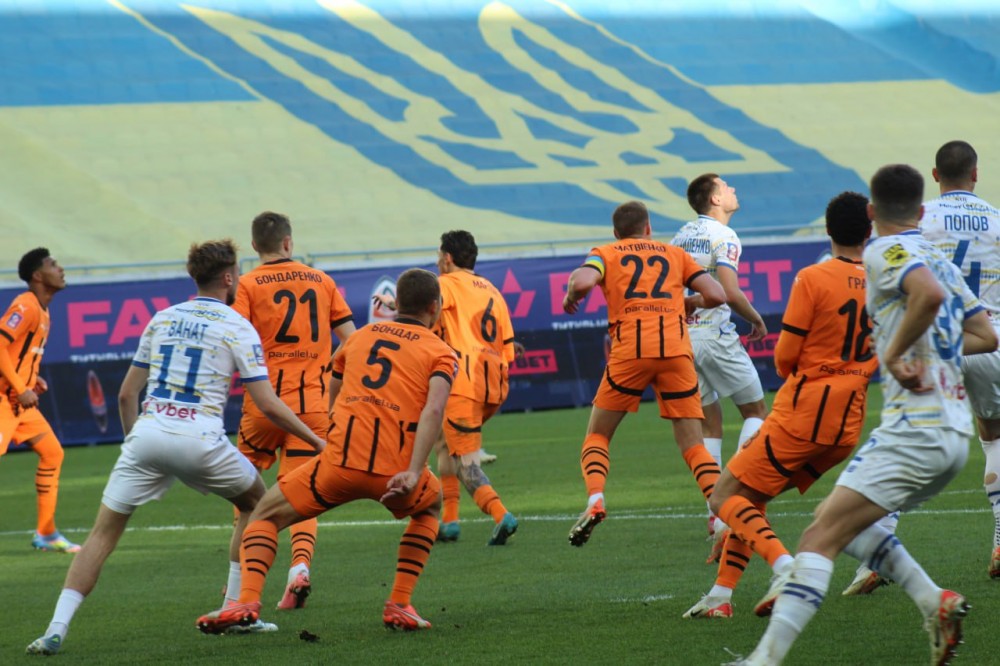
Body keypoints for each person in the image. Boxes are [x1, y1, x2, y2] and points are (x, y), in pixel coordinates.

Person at [726, 165, 998, 666]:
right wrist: (929, 350)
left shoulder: (881, 250)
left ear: (872, 213)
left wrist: (894, 353)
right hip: (954, 435)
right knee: (837, 522)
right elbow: (986, 335)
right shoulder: (939, 258)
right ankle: (932, 601)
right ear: (921, 211)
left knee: (817, 539)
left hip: (914, 428)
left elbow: (928, 294)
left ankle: (761, 661)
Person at [26, 240, 327, 655]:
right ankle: (235, 607)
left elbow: (126, 395)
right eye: (237, 273)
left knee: (102, 534)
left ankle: (55, 629)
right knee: (258, 507)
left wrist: (135, 444)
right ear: (228, 278)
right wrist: (316, 440)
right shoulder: (237, 325)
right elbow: (268, 404)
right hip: (200, 439)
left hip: (147, 434)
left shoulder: (163, 317)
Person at [195, 268, 457, 633]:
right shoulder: (442, 352)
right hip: (392, 472)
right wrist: (414, 471)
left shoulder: (360, 338)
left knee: (263, 516)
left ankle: (246, 602)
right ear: (435, 306)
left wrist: (336, 425)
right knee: (430, 506)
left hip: (338, 464)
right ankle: (399, 603)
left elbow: (334, 381)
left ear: (397, 302)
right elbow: (433, 410)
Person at [682, 192, 876, 620]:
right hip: (847, 425)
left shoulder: (813, 277)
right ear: (869, 231)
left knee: (724, 497)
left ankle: (786, 569)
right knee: (752, 496)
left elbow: (785, 358)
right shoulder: (886, 280)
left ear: (828, 230)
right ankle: (720, 596)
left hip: (804, 416)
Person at [845, 140, 1000, 594]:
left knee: (910, 445)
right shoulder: (997, 219)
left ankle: (874, 556)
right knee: (994, 433)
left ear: (935, 175)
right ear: (975, 174)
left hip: (929, 345)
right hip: (987, 337)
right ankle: (999, 539)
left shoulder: (918, 219)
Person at [562, 200, 726, 547]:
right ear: (648, 228)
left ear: (616, 233)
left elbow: (584, 282)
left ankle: (595, 499)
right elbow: (716, 294)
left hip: (631, 353)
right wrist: (690, 303)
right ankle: (723, 515)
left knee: (598, 436)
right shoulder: (675, 254)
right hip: (676, 353)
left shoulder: (606, 253)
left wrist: (571, 294)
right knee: (693, 445)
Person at [231, 211, 356, 611]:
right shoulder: (322, 281)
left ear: (255, 246)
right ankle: (298, 567)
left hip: (263, 406)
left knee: (245, 500)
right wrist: (327, 370)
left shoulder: (247, 284)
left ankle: (238, 592)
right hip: (312, 409)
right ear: (288, 242)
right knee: (301, 495)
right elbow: (351, 341)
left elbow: (233, 339)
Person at [671, 174, 768, 560]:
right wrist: (755, 319)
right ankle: (734, 497)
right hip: (715, 336)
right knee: (757, 412)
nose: (733, 191)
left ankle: (714, 515)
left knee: (710, 424)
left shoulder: (680, 236)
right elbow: (729, 291)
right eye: (726, 187)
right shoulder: (724, 236)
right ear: (714, 199)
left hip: (683, 339)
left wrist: (688, 305)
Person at [0, 248, 79, 553]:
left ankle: (46, 533)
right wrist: (21, 387)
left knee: (52, 453)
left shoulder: (43, 311)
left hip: (19, 405)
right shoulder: (26, 305)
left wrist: (32, 380)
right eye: (53, 265)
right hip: (5, 401)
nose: (60, 269)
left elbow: (18, 354)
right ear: (37, 275)